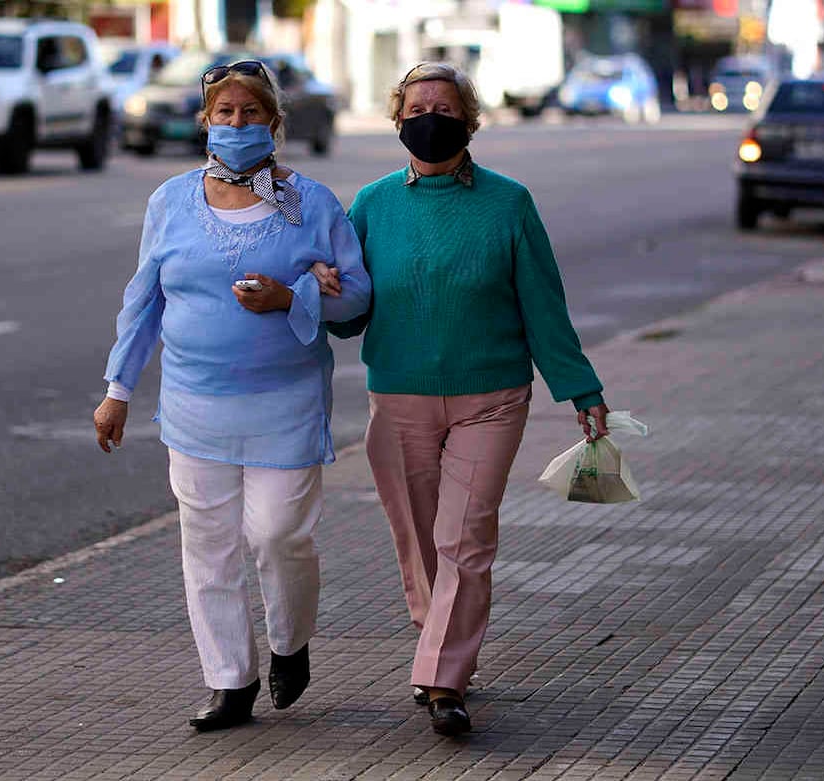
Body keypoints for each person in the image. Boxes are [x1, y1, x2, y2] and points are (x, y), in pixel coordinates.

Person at [321, 62, 609, 737]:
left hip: (492, 397)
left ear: (470, 120)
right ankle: (442, 641)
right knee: (419, 542)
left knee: (464, 537)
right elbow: (349, 316)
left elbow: (544, 305)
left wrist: (581, 388)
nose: (431, 118)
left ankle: (443, 678)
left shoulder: (508, 203)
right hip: (398, 397)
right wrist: (326, 289)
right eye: (418, 107)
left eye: (446, 108)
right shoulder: (371, 204)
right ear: (397, 120)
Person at [93, 59, 371, 732]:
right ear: (206, 122)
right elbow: (144, 303)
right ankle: (229, 680)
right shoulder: (170, 202)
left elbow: (358, 296)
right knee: (208, 545)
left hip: (286, 401)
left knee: (278, 536)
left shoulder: (314, 204)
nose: (238, 123)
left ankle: (289, 640)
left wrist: (292, 296)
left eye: (251, 113)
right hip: (195, 404)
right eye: (225, 113)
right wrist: (118, 389)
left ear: (275, 124)